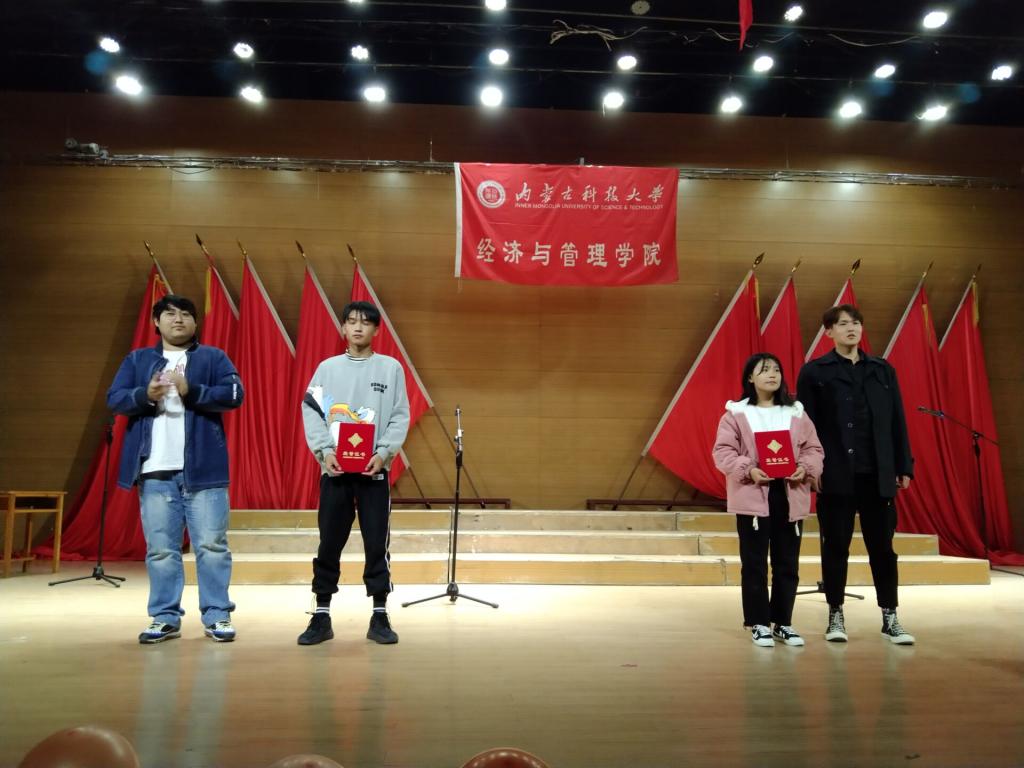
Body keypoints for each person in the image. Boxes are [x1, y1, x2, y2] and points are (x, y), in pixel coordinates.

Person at [107, 294, 244, 644]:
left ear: (196, 323)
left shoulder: (213, 357)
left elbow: (234, 394)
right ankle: (164, 617)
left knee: (211, 545)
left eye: (185, 314)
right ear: (156, 322)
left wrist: (192, 390)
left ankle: (217, 615)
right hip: (154, 470)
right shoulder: (138, 359)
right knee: (161, 549)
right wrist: (144, 395)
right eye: (169, 314)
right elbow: (115, 398)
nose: (178, 319)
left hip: (204, 470)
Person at [797, 304, 916, 644]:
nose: (852, 328)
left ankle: (890, 616)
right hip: (835, 474)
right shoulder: (815, 372)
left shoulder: (882, 370)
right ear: (829, 332)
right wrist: (811, 467)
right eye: (843, 324)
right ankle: (836, 614)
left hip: (876, 472)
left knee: (883, 548)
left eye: (856, 323)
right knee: (836, 546)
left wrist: (903, 465)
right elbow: (804, 427)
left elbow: (897, 419)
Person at [296, 300, 410, 646]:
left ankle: (380, 614)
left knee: (377, 544)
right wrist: (324, 451)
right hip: (335, 472)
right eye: (352, 321)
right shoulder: (327, 369)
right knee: (329, 542)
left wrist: (384, 452)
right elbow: (312, 411)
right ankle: (321, 615)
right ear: (343, 328)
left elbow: (399, 416)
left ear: (376, 329)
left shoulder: (390, 369)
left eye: (365, 322)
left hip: (374, 473)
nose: (358, 327)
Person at [713, 353, 824, 647]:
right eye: (764, 370)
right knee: (754, 564)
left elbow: (814, 449)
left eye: (776, 369)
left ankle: (783, 623)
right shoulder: (735, 414)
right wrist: (748, 469)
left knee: (787, 564)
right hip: (753, 495)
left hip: (790, 494)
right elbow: (723, 452)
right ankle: (759, 623)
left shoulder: (797, 413)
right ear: (750, 378)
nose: (772, 374)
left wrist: (805, 468)